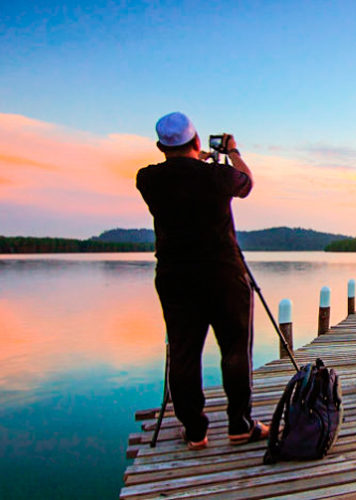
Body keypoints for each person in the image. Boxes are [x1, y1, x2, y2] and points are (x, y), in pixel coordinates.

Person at [136, 112, 267, 450]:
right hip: (224, 274)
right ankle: (240, 425)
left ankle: (195, 431)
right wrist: (232, 151)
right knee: (235, 350)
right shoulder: (217, 176)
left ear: (161, 147)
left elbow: (182, 176)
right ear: (196, 141)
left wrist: (197, 161)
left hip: (176, 278)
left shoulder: (147, 178)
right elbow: (246, 182)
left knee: (184, 353)